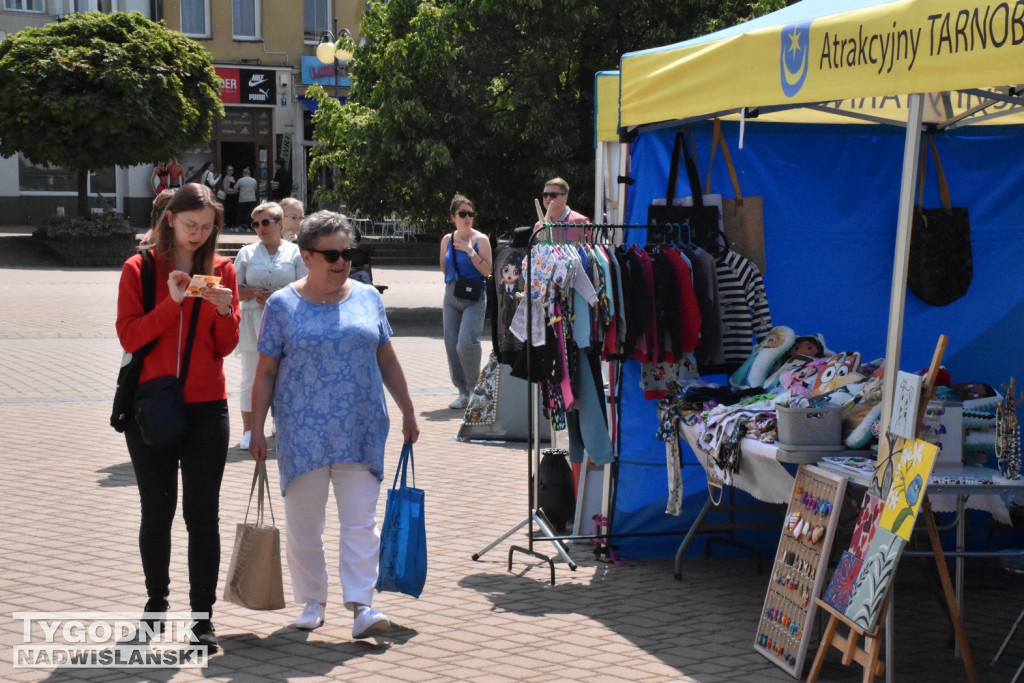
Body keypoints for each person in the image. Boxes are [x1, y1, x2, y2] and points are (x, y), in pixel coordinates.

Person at [248, 210, 419, 639]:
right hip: (302, 431)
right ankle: (312, 601)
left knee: (360, 521)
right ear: (307, 256)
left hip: (360, 427)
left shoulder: (368, 297)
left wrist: (408, 410)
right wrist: (255, 431)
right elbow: (265, 370)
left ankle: (362, 604)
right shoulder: (283, 305)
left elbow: (386, 357)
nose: (342, 261)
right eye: (332, 254)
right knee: (305, 524)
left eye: (349, 252)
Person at [115, 182, 240, 652]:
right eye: (191, 225)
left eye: (207, 228)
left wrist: (227, 310)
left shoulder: (222, 269)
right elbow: (130, 336)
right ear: (170, 218)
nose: (199, 234)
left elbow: (225, 348)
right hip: (154, 405)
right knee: (157, 510)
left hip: (209, 407)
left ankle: (202, 618)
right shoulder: (140, 268)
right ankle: (156, 602)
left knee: (202, 517)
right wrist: (172, 302)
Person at [233, 201, 307, 450]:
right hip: (254, 319)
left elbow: (306, 285)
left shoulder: (295, 252)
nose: (260, 228)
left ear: (279, 223)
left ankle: (281, 421)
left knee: (285, 375)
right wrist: (253, 291)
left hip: (286, 321)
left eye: (266, 222)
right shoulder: (247, 253)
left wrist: (279, 293)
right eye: (256, 224)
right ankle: (249, 429)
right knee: (251, 376)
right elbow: (234, 288)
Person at [439, 194, 491, 409]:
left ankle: (473, 389)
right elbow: (444, 266)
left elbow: (487, 270)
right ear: (453, 217)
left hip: (475, 295)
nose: (467, 218)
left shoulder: (481, 240)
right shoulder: (447, 240)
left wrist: (470, 252)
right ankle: (462, 392)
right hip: (452, 294)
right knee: (451, 345)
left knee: (465, 343)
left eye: (471, 214)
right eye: (463, 214)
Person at [220, 165, 238, 230]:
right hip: (229, 197)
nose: (231, 171)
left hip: (233, 197)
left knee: (233, 211)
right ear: (226, 171)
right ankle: (229, 225)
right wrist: (234, 190)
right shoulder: (226, 178)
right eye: (229, 170)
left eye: (232, 170)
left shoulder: (232, 177)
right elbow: (225, 188)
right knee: (229, 211)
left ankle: (232, 224)